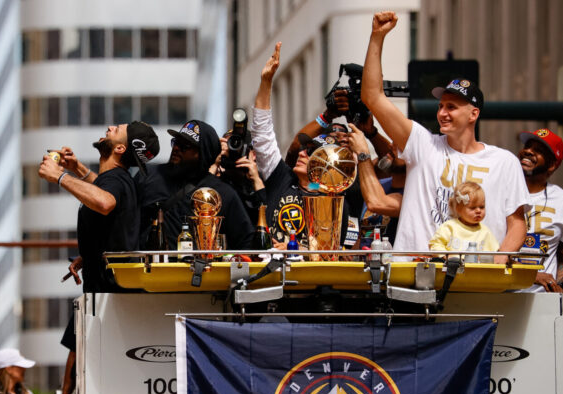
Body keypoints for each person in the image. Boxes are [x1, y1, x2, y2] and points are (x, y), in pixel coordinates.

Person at [361, 11, 529, 262]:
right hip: (416, 281)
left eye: (451, 107)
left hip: (478, 285)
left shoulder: (504, 162)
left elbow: (517, 223)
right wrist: (377, 37)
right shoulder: (422, 144)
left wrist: (497, 263)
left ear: (473, 114)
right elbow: (373, 97)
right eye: (441, 106)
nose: (442, 113)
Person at [251, 42, 351, 249]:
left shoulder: (333, 198)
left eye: (312, 152)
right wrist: (266, 81)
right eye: (306, 148)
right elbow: (262, 134)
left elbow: (333, 252)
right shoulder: (283, 179)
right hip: (270, 276)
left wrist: (296, 249)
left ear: (325, 164)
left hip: (311, 279)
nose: (303, 153)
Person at [39, 121, 159, 292]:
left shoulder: (115, 180)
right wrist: (77, 168)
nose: (110, 128)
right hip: (111, 291)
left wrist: (58, 176)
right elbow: (103, 192)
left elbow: (105, 202)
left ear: (119, 149)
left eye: (116, 130)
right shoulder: (120, 180)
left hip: (109, 295)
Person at [136, 119, 254, 250]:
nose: (176, 148)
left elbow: (246, 242)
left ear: (204, 154)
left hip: (198, 269)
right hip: (149, 267)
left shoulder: (221, 193)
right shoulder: (149, 175)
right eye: (176, 142)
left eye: (185, 146)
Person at [518, 128, 563, 292]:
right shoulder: (501, 190)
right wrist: (531, 275)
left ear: (551, 165)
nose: (528, 151)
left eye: (538, 150)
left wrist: (560, 285)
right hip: (497, 297)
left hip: (542, 302)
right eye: (528, 146)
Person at [428, 182, 499, 259]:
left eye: (482, 207)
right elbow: (435, 244)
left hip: (477, 270)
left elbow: (496, 253)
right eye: (472, 208)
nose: (478, 211)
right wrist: (446, 256)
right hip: (452, 269)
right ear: (458, 209)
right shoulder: (450, 227)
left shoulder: (486, 232)